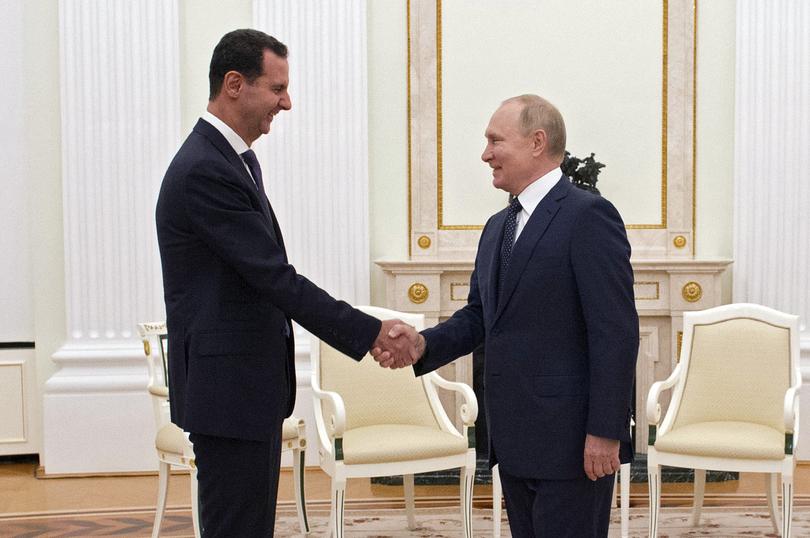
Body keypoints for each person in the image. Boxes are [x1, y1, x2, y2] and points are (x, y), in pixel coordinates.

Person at [156, 29, 412, 537]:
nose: (287, 102)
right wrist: (369, 332)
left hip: (242, 390)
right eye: (277, 88)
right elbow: (274, 278)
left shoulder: (229, 160)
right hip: (228, 392)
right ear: (234, 83)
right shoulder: (206, 169)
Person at [374, 94, 639, 537]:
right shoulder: (498, 226)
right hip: (514, 442)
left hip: (574, 445)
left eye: (496, 140)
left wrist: (606, 431)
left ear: (537, 142)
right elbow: (481, 316)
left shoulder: (588, 215)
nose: (485, 154)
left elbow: (615, 331)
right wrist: (423, 344)